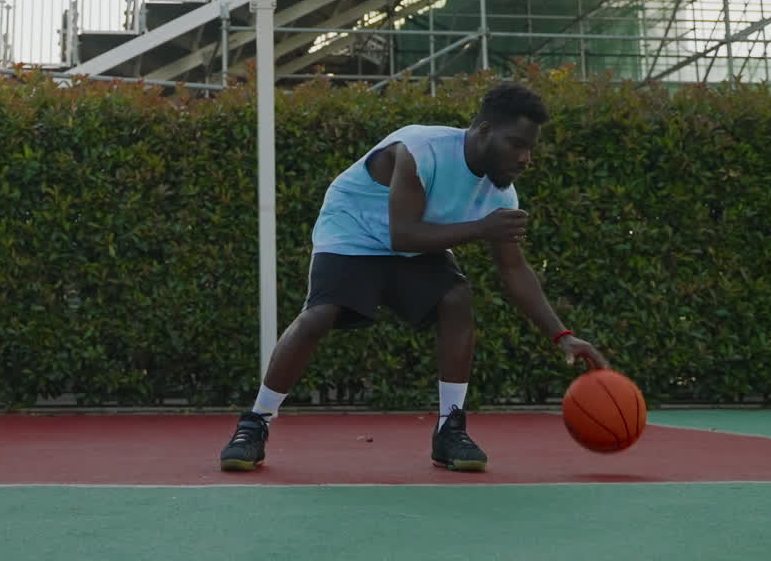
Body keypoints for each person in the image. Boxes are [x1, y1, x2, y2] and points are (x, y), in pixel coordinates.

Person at [218, 82, 608, 473]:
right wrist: (481, 228)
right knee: (320, 315)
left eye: (530, 149)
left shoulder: (500, 194)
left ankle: (449, 429)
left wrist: (562, 336)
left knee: (456, 298)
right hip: (352, 230)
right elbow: (402, 234)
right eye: (516, 144)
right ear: (485, 130)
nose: (525, 158)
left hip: (415, 240)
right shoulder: (421, 149)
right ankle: (255, 422)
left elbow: (513, 269)